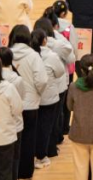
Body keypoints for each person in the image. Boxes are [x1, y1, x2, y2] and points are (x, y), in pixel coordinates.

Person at [9, 25, 47, 180]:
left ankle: (14, 172)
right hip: (30, 104)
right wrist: (37, 93)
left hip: (10, 103)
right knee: (29, 137)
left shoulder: (7, 53)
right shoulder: (33, 55)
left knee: (12, 138)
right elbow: (42, 80)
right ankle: (26, 172)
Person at [31, 28, 66, 170]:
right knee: (47, 127)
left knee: (34, 127)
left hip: (32, 97)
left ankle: (35, 153)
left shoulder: (29, 55)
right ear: (45, 40)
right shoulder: (51, 56)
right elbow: (60, 72)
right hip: (49, 97)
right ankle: (42, 155)